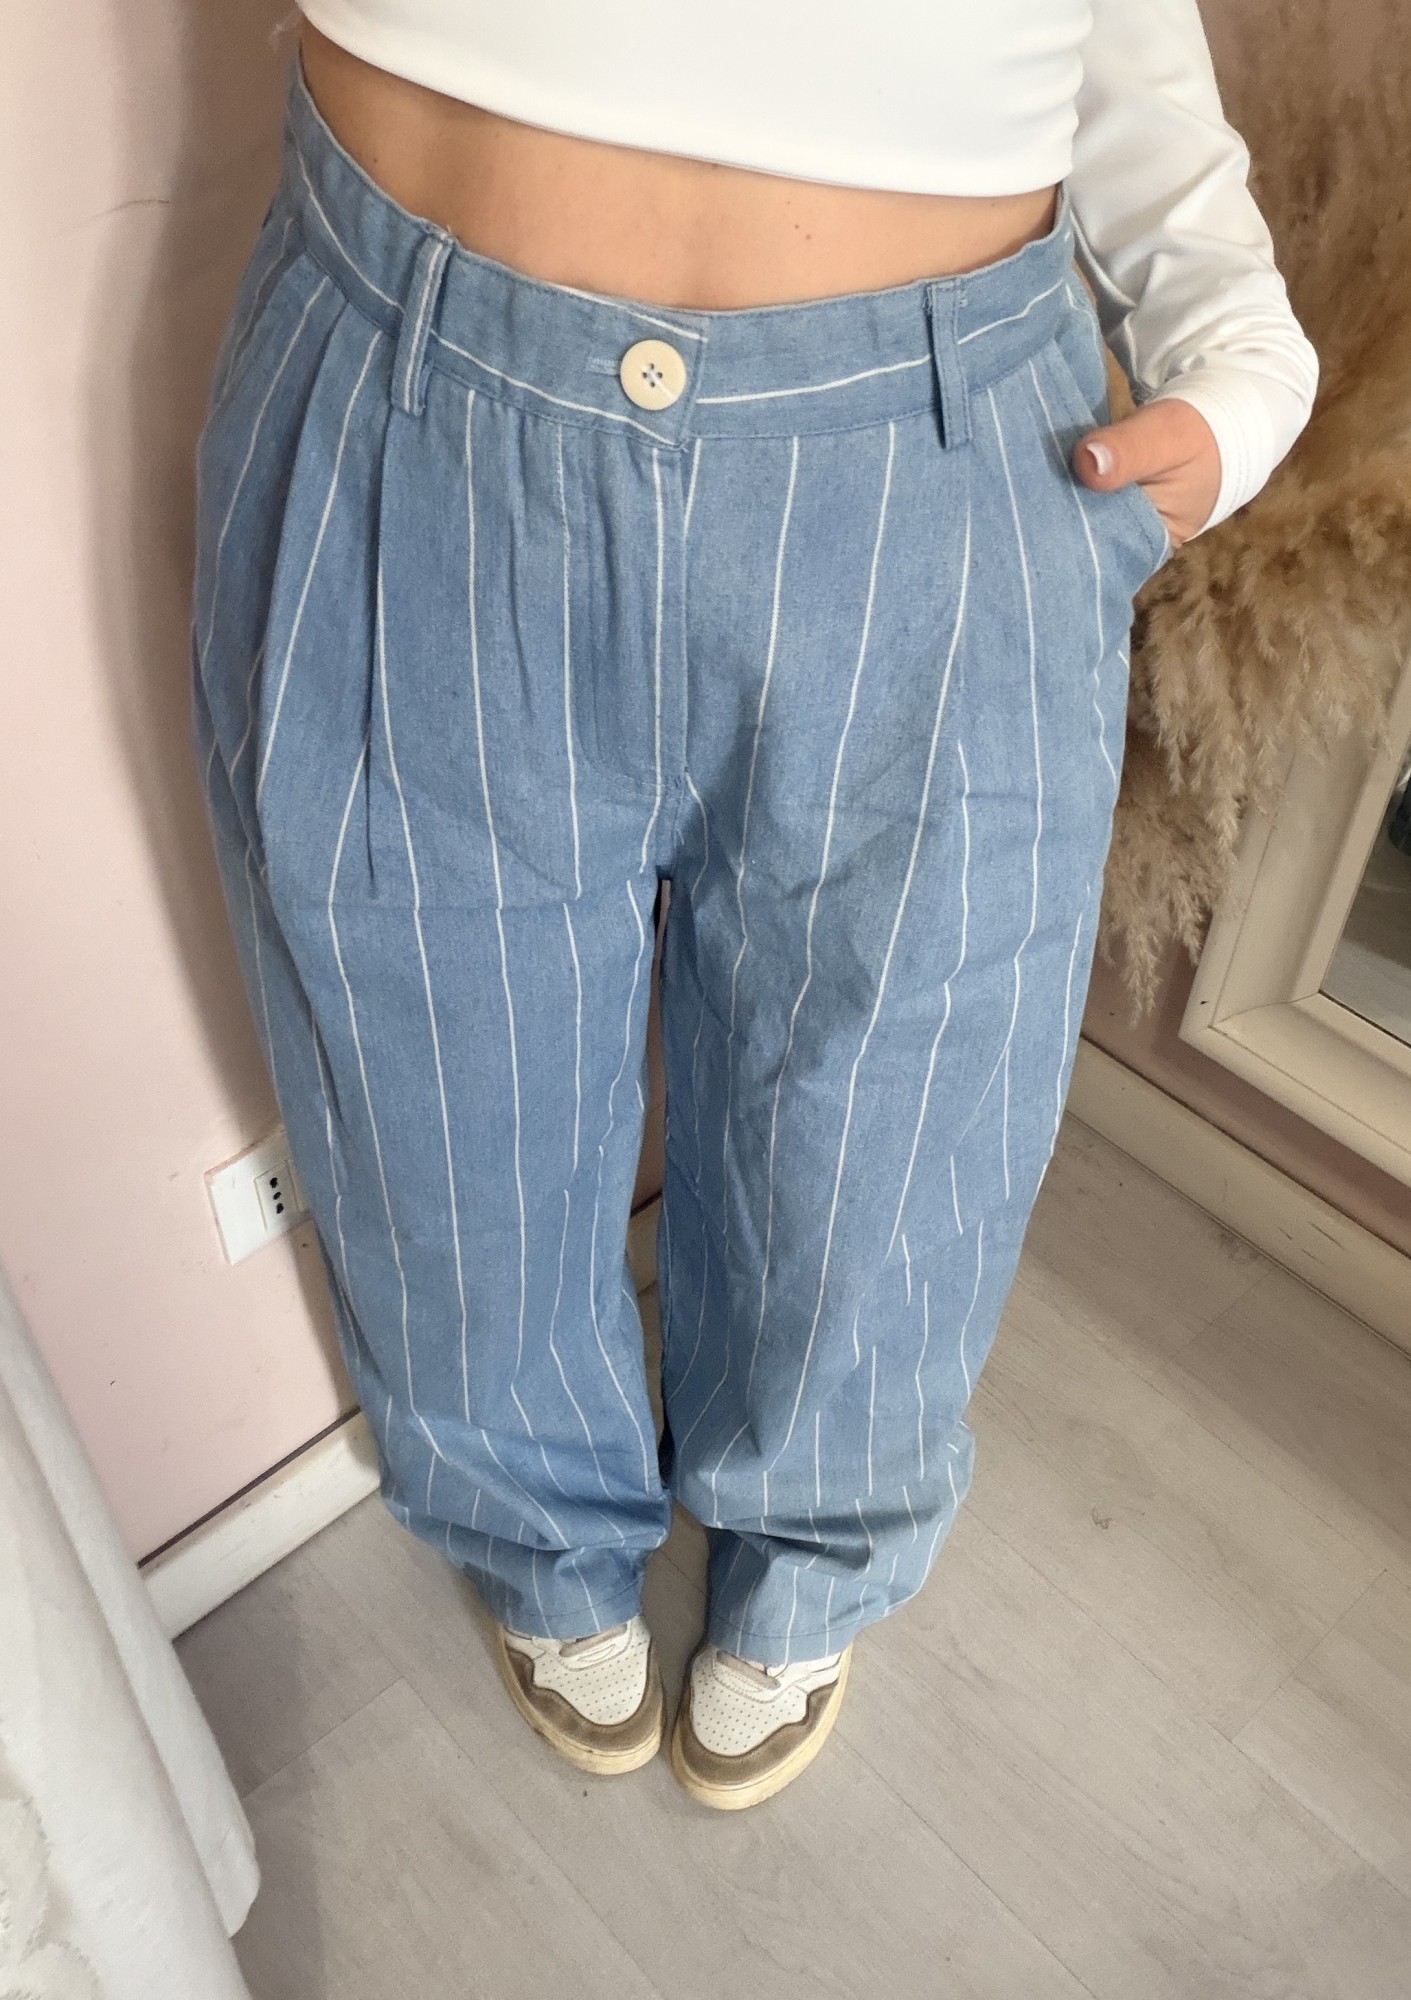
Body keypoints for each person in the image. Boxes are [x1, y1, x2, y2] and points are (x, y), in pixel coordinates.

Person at [192, 0, 1317, 1812]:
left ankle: (816, 1535)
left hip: (937, 455)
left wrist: (1238, 343)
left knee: (897, 1104)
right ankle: (533, 1527)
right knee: (435, 1079)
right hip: (414, 387)